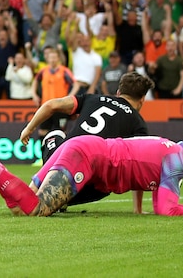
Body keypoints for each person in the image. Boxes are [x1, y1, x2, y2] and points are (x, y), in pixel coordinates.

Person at [0, 131, 183, 217]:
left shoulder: (168, 149)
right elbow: (167, 210)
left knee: (21, 206)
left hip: (81, 146)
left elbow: (146, 179)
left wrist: (138, 210)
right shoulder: (176, 160)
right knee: (35, 210)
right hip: (89, 157)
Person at [18, 71, 155, 212]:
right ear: (143, 99)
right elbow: (138, 166)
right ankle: (63, 199)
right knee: (106, 184)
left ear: (119, 92)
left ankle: (50, 186)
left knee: (55, 134)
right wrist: (137, 209)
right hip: (88, 183)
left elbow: (51, 105)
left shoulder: (93, 99)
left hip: (61, 163)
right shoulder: (138, 123)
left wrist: (29, 129)